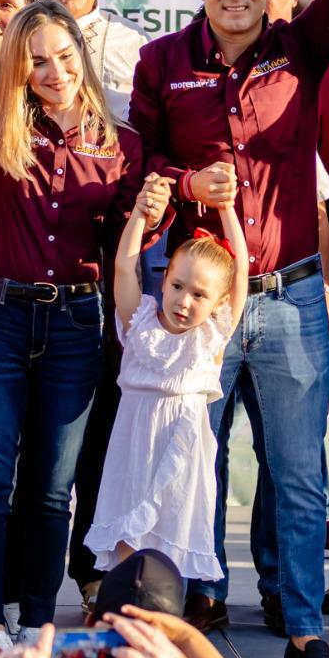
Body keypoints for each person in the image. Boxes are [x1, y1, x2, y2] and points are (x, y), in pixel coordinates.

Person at [129, 0, 329, 645]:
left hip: (290, 295)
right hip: (200, 304)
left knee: (298, 474)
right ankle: (194, 606)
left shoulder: (300, 49)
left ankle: (303, 621)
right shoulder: (161, 61)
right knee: (192, 462)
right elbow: (135, 164)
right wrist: (183, 181)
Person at [0, 0, 143, 633]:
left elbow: (124, 243)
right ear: (18, 68)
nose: (55, 71)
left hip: (74, 321)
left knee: (52, 490)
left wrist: (156, 208)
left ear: (82, 57)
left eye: (65, 56)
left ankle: (36, 622)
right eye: (38, 61)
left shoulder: (122, 141)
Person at [84, 177, 252, 597]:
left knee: (170, 542)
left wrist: (227, 208)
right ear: (163, 281)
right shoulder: (138, 324)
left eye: (199, 295)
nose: (184, 301)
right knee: (127, 539)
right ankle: (119, 610)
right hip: (134, 451)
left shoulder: (211, 339)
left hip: (182, 453)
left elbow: (243, 270)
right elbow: (124, 266)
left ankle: (164, 619)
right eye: (177, 286)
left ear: (217, 302)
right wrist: (140, 215)